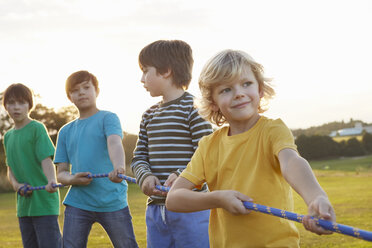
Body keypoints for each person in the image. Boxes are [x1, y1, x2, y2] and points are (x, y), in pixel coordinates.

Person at [166, 49, 336, 247]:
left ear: (260, 90)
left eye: (246, 84)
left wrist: (316, 197)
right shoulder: (208, 145)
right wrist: (218, 199)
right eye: (226, 90)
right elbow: (174, 199)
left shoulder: (273, 130)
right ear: (213, 103)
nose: (239, 94)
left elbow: (292, 163)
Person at [131, 40, 213, 248]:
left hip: (191, 208)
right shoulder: (148, 115)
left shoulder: (194, 108)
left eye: (145, 71)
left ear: (166, 71)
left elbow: (206, 154)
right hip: (156, 211)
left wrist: (182, 176)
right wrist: (145, 176)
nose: (142, 79)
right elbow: (139, 156)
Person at [54, 70, 138, 248]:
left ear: (96, 91)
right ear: (69, 97)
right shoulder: (65, 131)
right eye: (75, 90)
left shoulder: (108, 118)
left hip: (112, 201)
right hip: (78, 203)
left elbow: (114, 142)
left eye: (86, 87)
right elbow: (61, 174)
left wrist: (119, 167)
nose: (82, 92)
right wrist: (72, 179)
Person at [2, 83, 62, 248]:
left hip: (43, 203)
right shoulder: (8, 137)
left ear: (29, 105)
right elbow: (10, 168)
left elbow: (46, 159)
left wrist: (51, 180)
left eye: (21, 103)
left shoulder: (37, 128)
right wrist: (16, 185)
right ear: (5, 106)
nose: (16, 107)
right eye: (12, 103)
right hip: (23, 207)